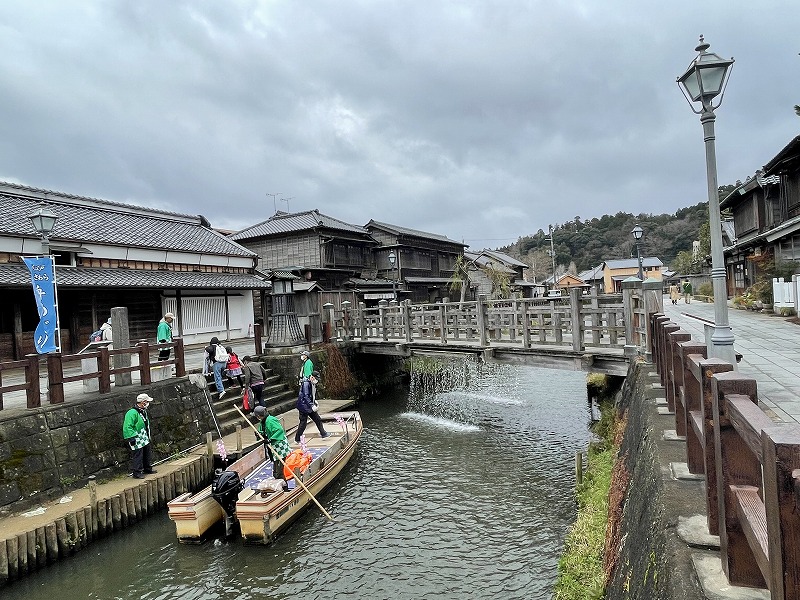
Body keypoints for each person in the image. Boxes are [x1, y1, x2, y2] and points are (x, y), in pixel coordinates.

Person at [122, 393, 157, 479]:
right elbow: (127, 426)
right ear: (143, 402)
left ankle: (147, 468)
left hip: (143, 436)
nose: (148, 403)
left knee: (146, 453)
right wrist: (131, 438)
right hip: (136, 436)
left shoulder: (142, 411)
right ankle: (137, 472)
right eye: (147, 401)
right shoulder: (132, 413)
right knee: (138, 455)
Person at [253, 406, 290, 484]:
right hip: (272, 447)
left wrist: (270, 439)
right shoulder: (263, 422)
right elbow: (262, 432)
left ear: (258, 416)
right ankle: (280, 484)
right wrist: (258, 434)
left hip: (279, 447)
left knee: (279, 471)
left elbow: (279, 431)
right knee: (276, 469)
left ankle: (284, 487)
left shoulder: (270, 420)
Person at [295, 373, 329, 442]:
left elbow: (311, 395)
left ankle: (323, 433)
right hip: (304, 406)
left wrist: (314, 401)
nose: (316, 381)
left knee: (317, 419)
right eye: (316, 379)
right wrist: (312, 405)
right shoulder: (306, 383)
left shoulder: (311, 383)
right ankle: (297, 438)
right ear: (312, 377)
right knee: (303, 423)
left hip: (308, 406)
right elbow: (306, 395)